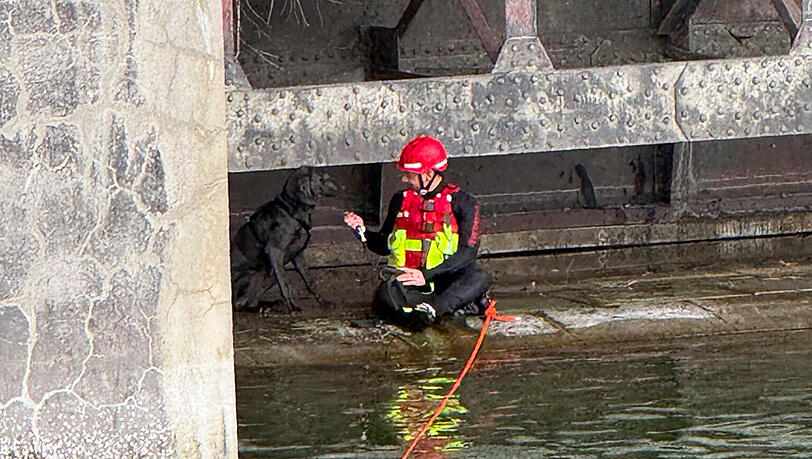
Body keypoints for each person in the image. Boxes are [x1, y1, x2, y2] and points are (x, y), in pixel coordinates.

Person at [344, 135, 491, 331]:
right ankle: (423, 314)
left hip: (444, 280)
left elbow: (468, 252)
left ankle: (432, 310)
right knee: (386, 292)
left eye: (409, 175)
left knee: (478, 276)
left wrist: (427, 274)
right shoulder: (400, 199)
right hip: (411, 282)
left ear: (428, 174)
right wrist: (362, 231)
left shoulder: (464, 203)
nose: (404, 179)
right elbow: (383, 244)